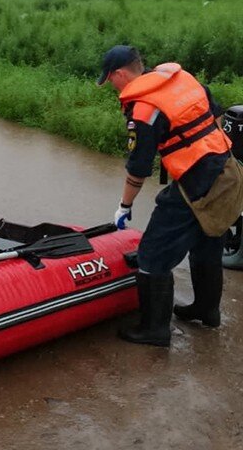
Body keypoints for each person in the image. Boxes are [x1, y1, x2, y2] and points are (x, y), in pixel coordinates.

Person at [98, 44, 235, 347]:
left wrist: (124, 206)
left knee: (152, 255)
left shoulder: (144, 109)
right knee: (207, 239)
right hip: (226, 170)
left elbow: (139, 168)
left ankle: (154, 330)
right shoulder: (180, 78)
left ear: (120, 73)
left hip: (195, 181)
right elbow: (214, 114)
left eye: (110, 80)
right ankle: (207, 311)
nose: (112, 87)